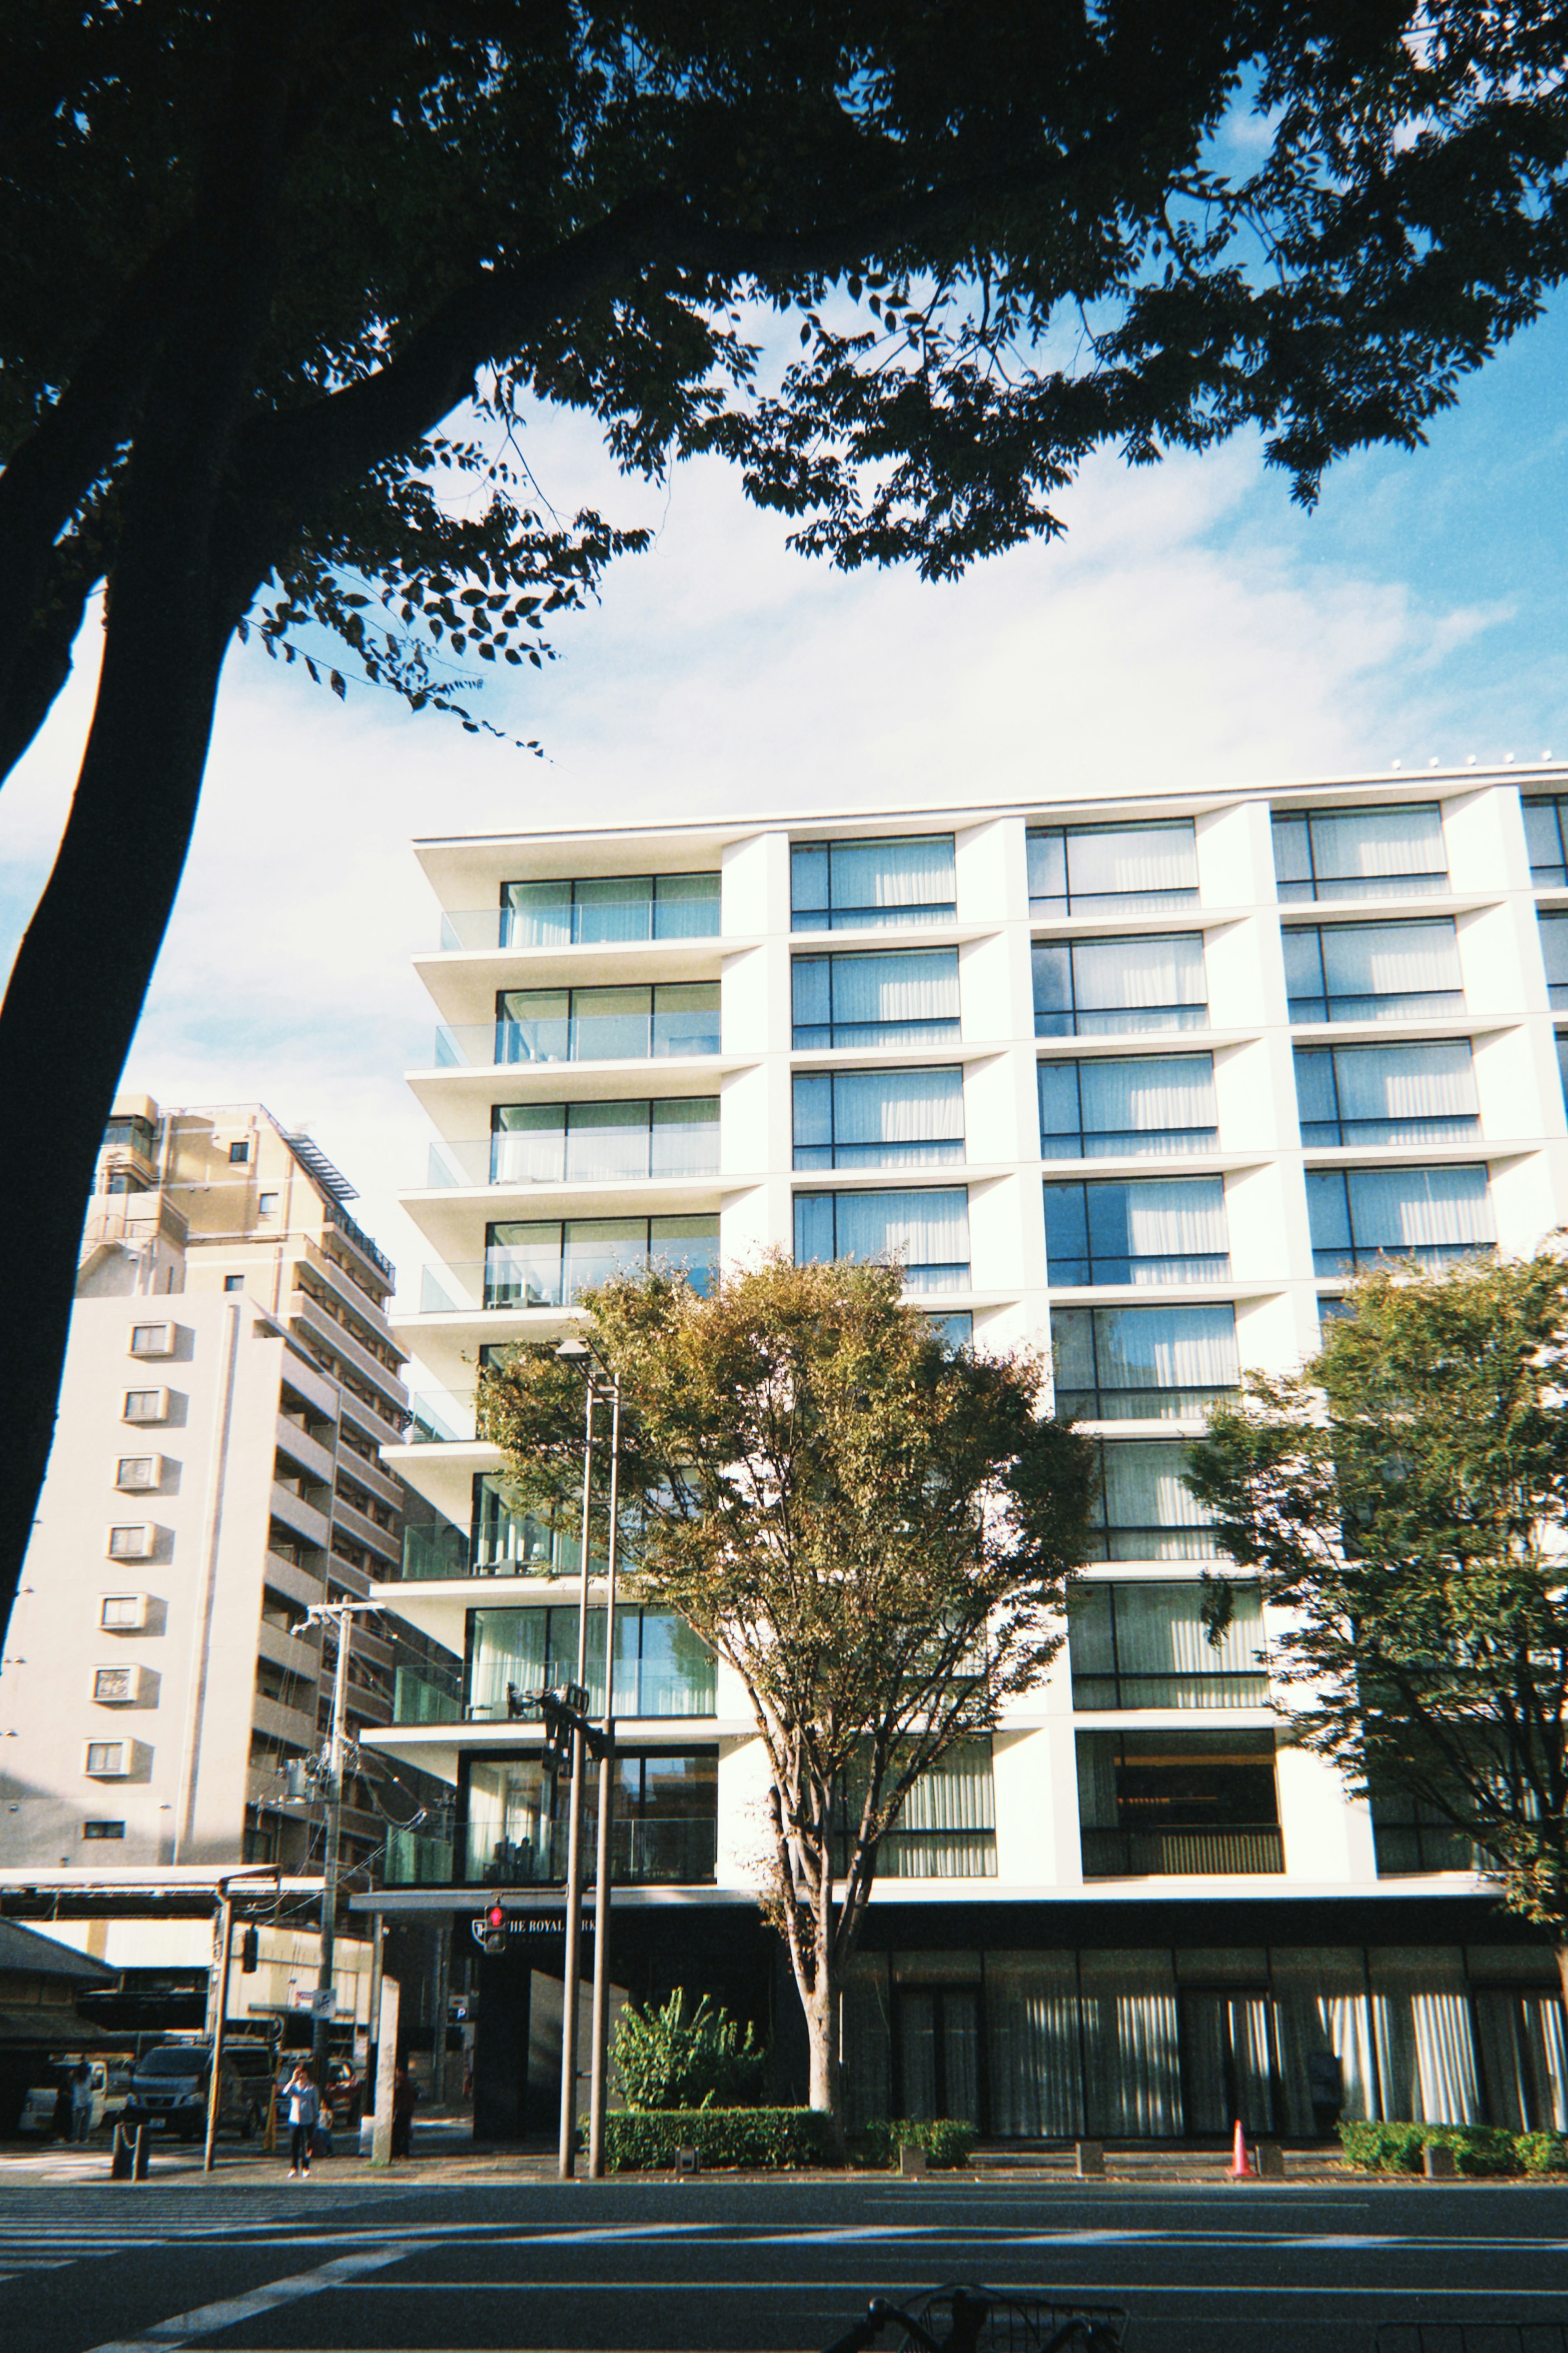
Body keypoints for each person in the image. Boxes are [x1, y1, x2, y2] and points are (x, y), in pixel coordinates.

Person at [283, 2061, 320, 2179]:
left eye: (303, 2073)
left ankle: (306, 2168)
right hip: (294, 2120)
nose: (301, 2076)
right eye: (299, 2073)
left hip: (308, 2121)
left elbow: (316, 2104)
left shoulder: (312, 2088)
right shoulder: (293, 2088)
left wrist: (316, 2117)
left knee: (307, 2146)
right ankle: (294, 2168)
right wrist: (293, 2079)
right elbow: (285, 2092)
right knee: (294, 2146)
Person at [390, 2061, 416, 2159]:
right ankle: (403, 2151)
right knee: (404, 2131)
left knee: (398, 2131)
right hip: (407, 2110)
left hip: (403, 2110)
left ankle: (399, 2151)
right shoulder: (408, 2083)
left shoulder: (402, 2082)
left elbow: (398, 2096)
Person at [69, 2061, 95, 2144]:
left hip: (78, 2101)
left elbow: (71, 2087)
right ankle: (84, 2138)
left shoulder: (75, 2078)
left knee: (77, 2121)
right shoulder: (89, 2077)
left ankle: (75, 2138)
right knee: (86, 2121)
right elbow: (94, 2086)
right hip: (88, 2100)